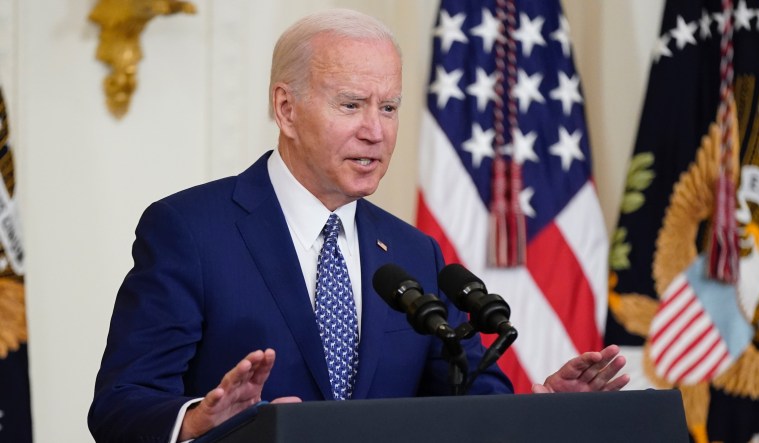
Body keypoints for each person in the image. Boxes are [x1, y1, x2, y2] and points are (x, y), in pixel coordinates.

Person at [88, 8, 629, 442]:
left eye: (389, 107)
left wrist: (539, 409)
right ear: (287, 109)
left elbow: (462, 394)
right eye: (351, 105)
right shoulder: (190, 231)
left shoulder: (414, 253)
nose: (375, 131)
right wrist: (195, 421)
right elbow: (121, 404)